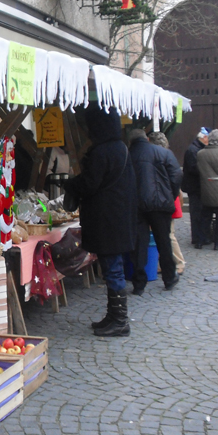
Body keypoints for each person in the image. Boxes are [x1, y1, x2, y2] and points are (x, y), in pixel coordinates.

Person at [64, 104, 137, 337]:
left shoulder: (102, 152)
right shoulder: (121, 148)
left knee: (113, 270)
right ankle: (113, 316)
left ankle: (120, 320)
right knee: (112, 269)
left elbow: (89, 184)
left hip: (108, 220)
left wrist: (70, 184)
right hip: (117, 218)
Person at [128, 129, 183, 295]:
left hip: (136, 205)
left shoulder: (127, 155)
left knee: (139, 244)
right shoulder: (163, 152)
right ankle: (169, 278)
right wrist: (169, 195)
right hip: (160, 204)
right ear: (146, 138)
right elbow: (176, 175)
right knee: (163, 241)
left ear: (131, 142)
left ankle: (139, 284)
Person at [148, 131, 185, 275]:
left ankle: (179, 262)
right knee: (166, 233)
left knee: (168, 234)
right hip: (168, 198)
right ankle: (165, 262)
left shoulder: (159, 157)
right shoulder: (167, 155)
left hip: (166, 199)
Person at [182, 127, 210, 248]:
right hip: (194, 186)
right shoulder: (193, 150)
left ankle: (200, 237)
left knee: (198, 212)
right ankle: (198, 238)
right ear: (204, 137)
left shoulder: (196, 148)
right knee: (196, 213)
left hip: (196, 186)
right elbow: (194, 168)